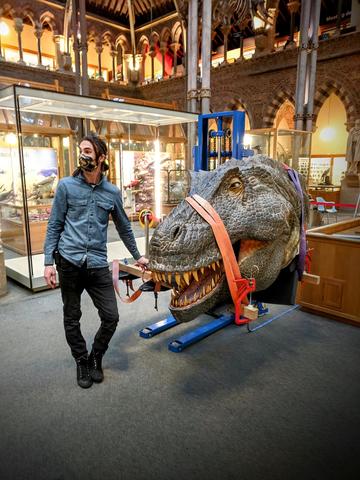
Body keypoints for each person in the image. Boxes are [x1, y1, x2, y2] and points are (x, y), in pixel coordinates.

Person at [44, 132, 148, 389]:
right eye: (81, 150)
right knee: (72, 317)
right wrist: (48, 261)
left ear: (102, 157)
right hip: (68, 261)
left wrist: (138, 256)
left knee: (111, 316)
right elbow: (55, 225)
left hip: (97, 263)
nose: (83, 155)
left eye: (88, 151)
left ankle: (95, 357)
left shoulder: (111, 192)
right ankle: (81, 360)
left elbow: (124, 227)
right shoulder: (66, 186)